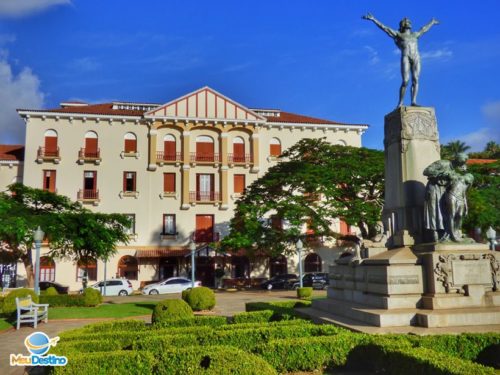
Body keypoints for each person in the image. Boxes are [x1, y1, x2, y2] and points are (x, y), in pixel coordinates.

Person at [362, 13, 439, 107]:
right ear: (403, 25)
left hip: (416, 57)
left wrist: (432, 22)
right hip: (406, 56)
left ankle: (413, 101)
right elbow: (385, 28)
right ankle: (400, 102)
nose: (408, 23)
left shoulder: (415, 35)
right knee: (406, 80)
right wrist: (373, 19)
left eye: (409, 22)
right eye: (406, 22)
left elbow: (424, 29)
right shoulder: (399, 35)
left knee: (416, 79)